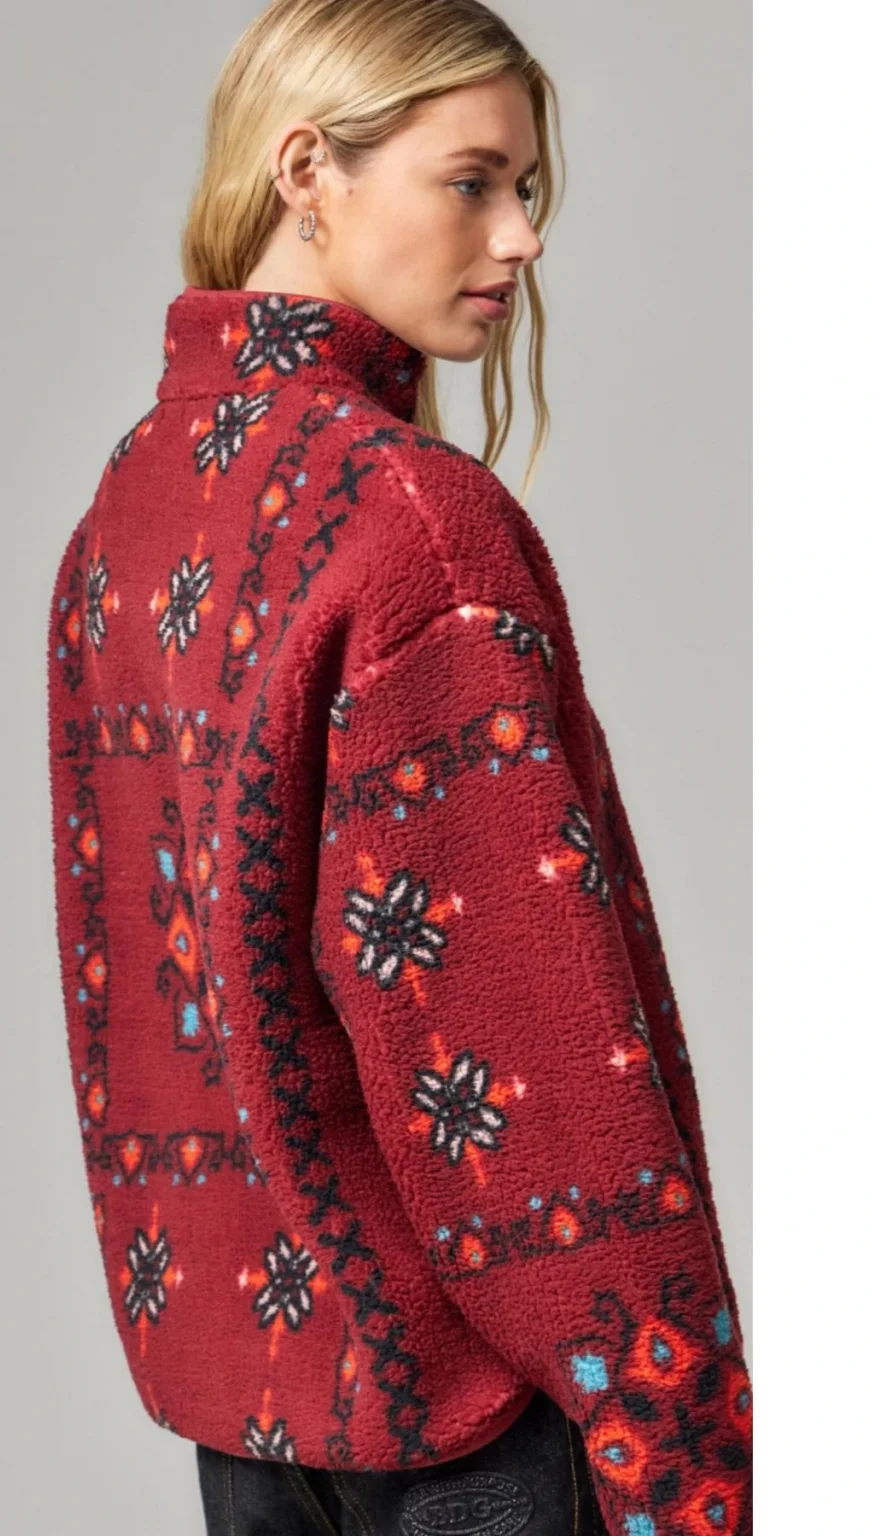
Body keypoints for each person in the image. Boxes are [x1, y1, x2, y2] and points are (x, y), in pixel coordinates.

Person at [46, 2, 752, 1532]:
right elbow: (529, 1059)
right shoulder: (415, 525)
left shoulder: (128, 511)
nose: (522, 238)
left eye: (528, 189)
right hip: (470, 1433)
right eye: (473, 181)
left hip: (248, 1414)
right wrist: (682, 1448)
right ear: (309, 170)